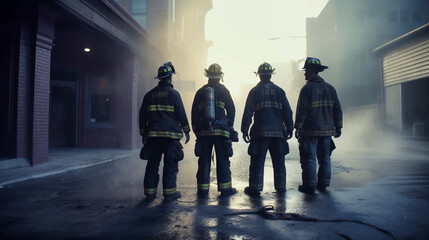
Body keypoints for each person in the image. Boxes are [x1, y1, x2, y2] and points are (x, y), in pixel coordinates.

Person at [139, 62, 190, 201]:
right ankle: (169, 193)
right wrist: (187, 131)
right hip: (170, 136)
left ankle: (150, 192)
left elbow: (142, 115)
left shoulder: (149, 95)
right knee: (170, 163)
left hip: (153, 137)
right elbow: (181, 114)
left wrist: (143, 133)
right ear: (170, 78)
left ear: (160, 78)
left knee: (152, 164)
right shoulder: (174, 94)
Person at [241, 62, 294, 196]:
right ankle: (281, 187)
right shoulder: (280, 91)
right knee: (279, 161)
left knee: (257, 161)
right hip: (278, 133)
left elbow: (248, 112)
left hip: (260, 133)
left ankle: (255, 187)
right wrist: (290, 128)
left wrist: (244, 130)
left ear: (259, 76)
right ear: (270, 75)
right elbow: (287, 112)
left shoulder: (254, 91)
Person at [295, 57, 343, 194]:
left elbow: (302, 111)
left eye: (306, 71)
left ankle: (309, 185)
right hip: (327, 131)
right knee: (325, 159)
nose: (304, 74)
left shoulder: (307, 89)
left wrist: (298, 127)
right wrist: (338, 127)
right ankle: (323, 184)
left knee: (309, 158)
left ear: (311, 71)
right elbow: (337, 109)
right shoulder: (330, 89)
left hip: (310, 131)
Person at [191, 63, 237, 197]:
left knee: (204, 160)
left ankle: (203, 189)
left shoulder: (200, 92)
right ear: (219, 77)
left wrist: (196, 131)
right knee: (222, 160)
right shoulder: (224, 91)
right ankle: (225, 189)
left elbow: (194, 112)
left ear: (208, 76)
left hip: (204, 132)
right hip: (221, 132)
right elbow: (232, 110)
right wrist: (229, 126)